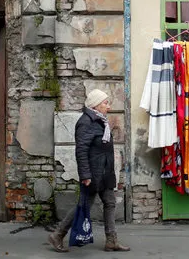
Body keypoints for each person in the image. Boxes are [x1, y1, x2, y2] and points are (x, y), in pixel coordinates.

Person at [48, 89, 130, 253]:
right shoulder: (86, 122)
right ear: (96, 105)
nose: (109, 106)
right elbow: (81, 151)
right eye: (106, 103)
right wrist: (85, 175)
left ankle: (111, 240)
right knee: (83, 205)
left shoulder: (101, 121)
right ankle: (58, 234)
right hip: (93, 174)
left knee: (110, 203)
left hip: (105, 172)